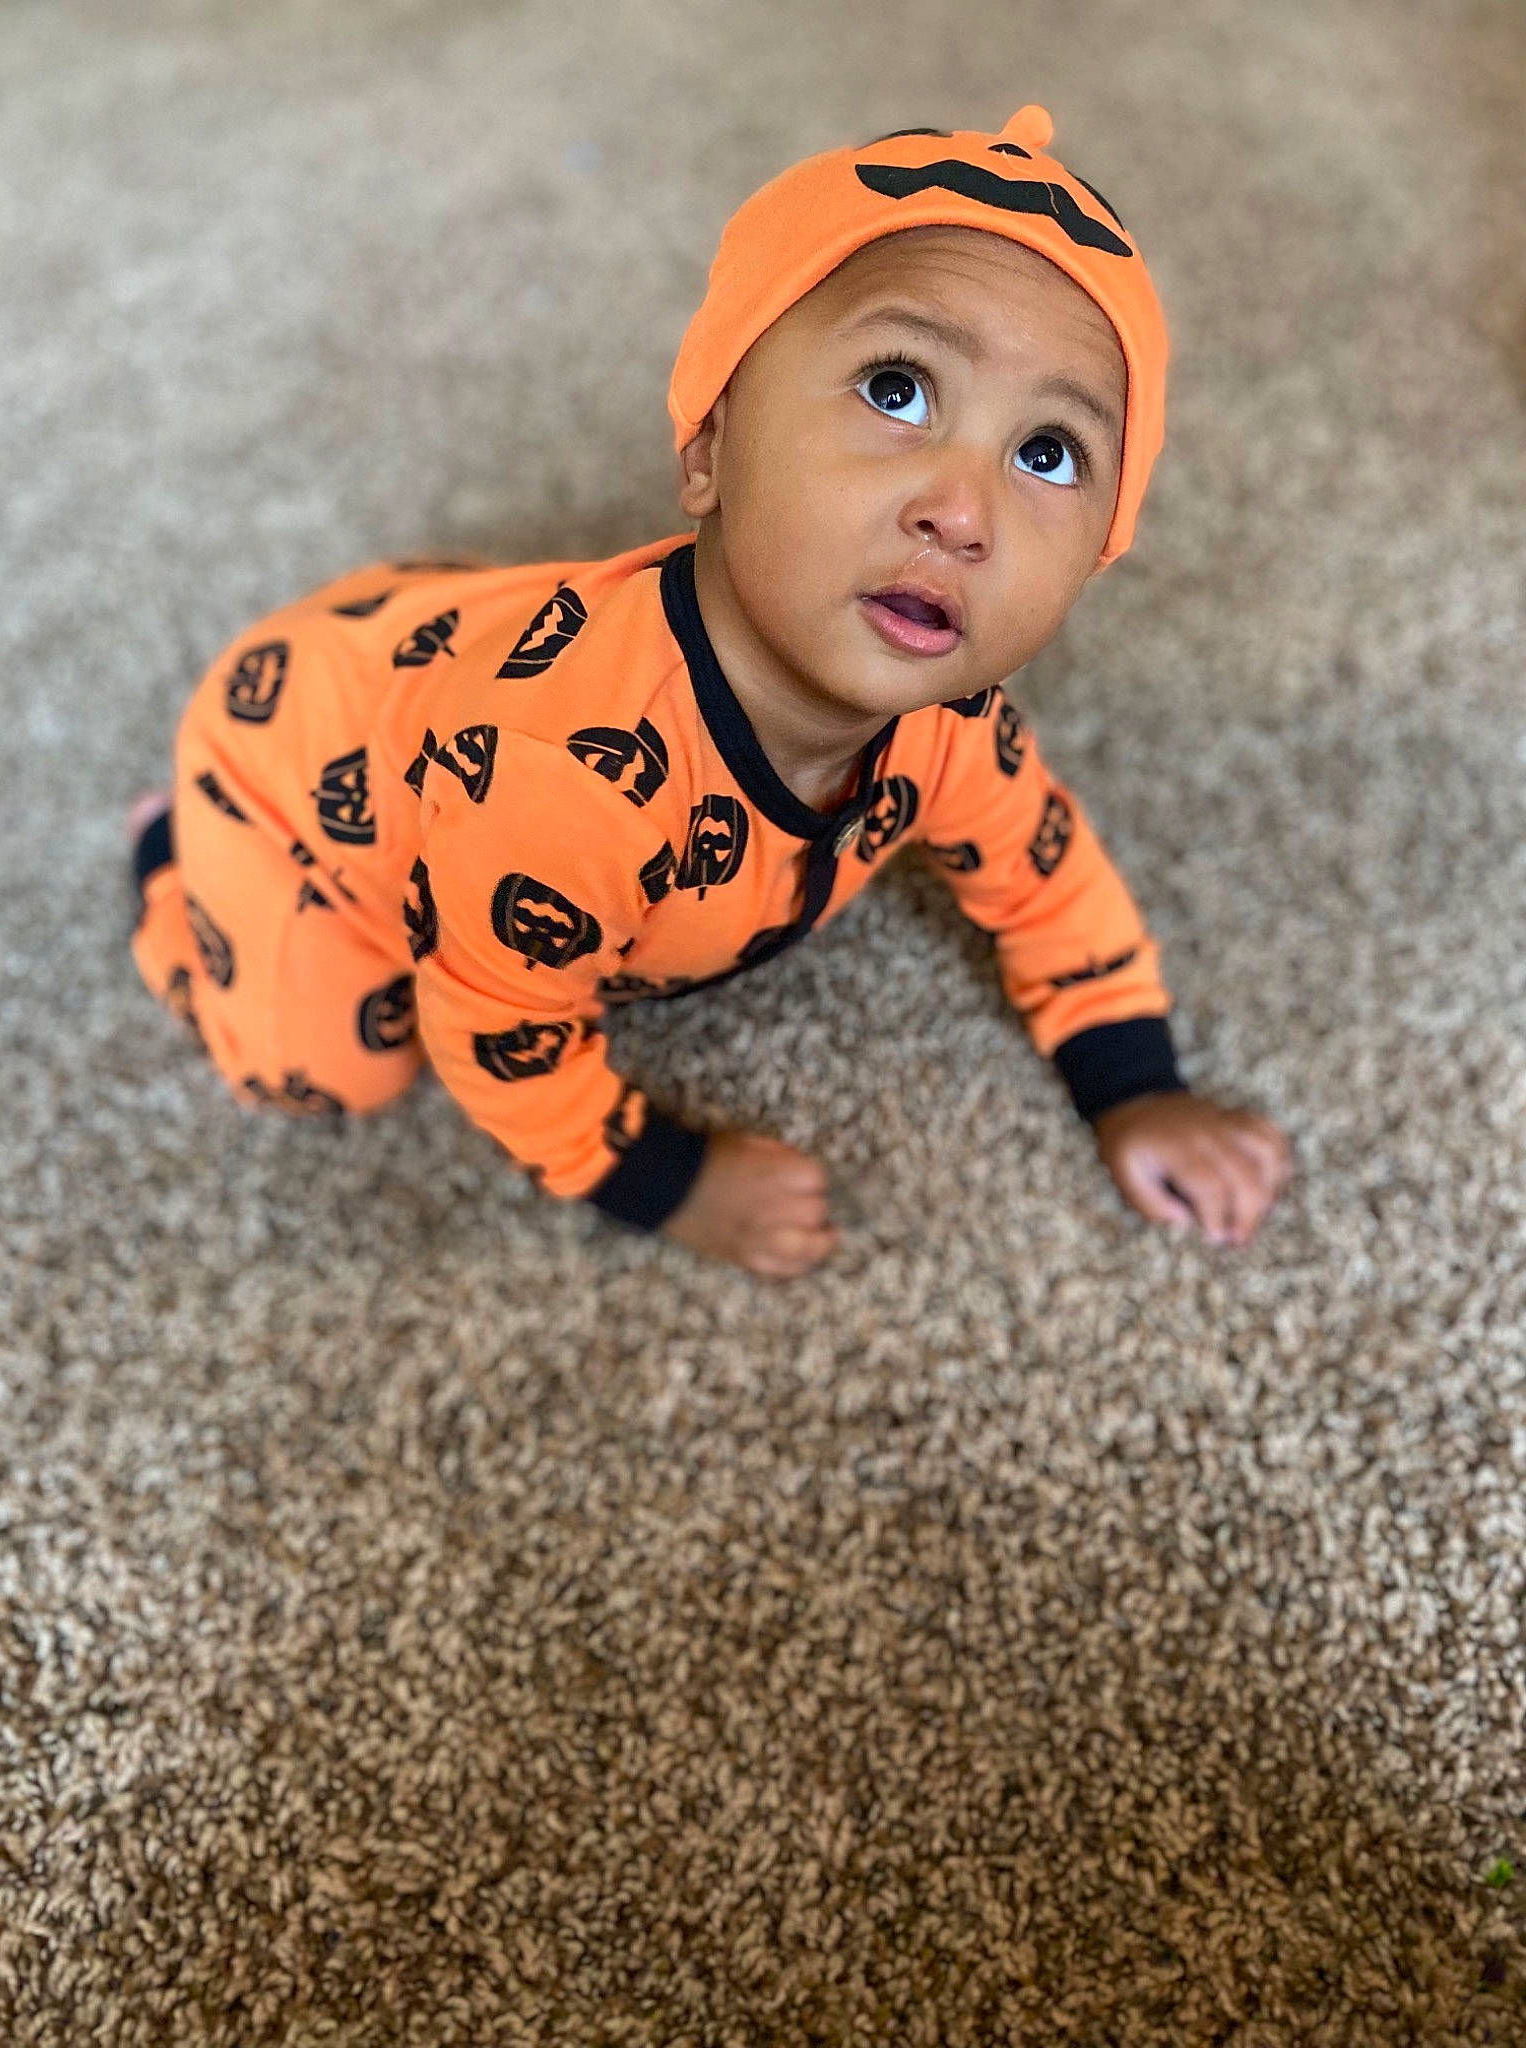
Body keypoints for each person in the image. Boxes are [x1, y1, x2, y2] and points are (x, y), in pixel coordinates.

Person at [127, 104, 1291, 1279]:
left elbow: (1046, 880)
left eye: (1048, 453)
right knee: (320, 1069)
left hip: (440, 651)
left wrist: (1135, 1083)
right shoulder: (566, 786)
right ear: (708, 448)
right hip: (292, 774)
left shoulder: (952, 723)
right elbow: (496, 1027)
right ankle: (169, 851)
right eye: (899, 388)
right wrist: (664, 1179)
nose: (963, 507)